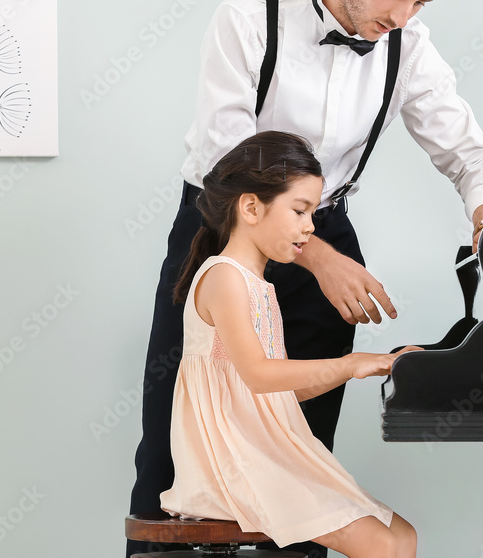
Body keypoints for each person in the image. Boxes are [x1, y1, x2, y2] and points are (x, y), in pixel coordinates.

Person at [129, 0, 483, 556]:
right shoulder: (250, 17)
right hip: (223, 227)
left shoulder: (408, 46)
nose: (401, 16)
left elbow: (470, 153)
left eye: (420, 3)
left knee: (303, 449)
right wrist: (316, 255)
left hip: (324, 225)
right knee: (176, 439)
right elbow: (230, 163)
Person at [160, 131, 418, 558]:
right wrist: (351, 363)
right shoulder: (224, 277)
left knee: (401, 536)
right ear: (250, 207)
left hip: (269, 450)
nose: (310, 226)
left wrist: (380, 363)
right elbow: (260, 376)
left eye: (313, 211)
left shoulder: (259, 286)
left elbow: (285, 390)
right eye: (300, 210)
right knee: (382, 545)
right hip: (233, 462)